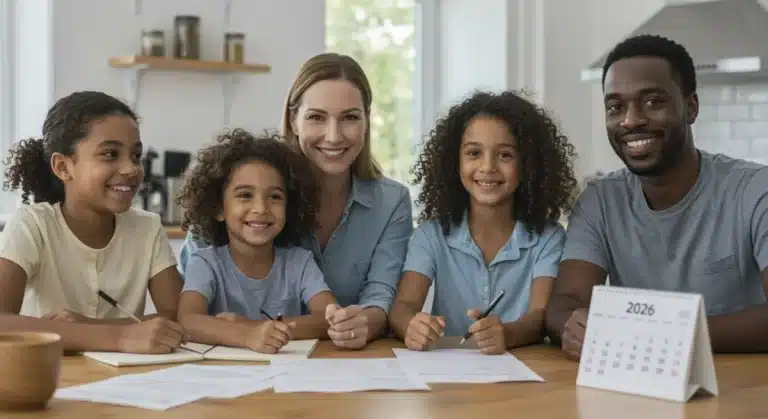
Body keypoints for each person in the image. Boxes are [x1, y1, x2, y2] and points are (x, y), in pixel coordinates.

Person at [546, 34, 768, 360]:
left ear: (691, 107)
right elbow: (565, 302)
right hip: (641, 388)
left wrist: (662, 334)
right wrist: (573, 326)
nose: (631, 119)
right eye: (615, 106)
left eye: (653, 102)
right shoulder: (599, 201)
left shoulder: (755, 190)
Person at [178, 53, 413, 349]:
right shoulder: (238, 191)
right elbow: (185, 309)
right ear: (294, 120)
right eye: (316, 117)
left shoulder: (392, 202)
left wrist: (361, 323)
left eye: (350, 117)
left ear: (367, 121)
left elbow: (379, 298)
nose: (333, 135)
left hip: (338, 360)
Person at [389, 90, 578, 354]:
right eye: (474, 153)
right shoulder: (431, 235)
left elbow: (540, 316)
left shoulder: (548, 238)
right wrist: (412, 325)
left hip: (525, 374)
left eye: (505, 155)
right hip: (449, 375)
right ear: (453, 162)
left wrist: (508, 334)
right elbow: (402, 307)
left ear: (529, 165)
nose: (487, 167)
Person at [0, 91, 186, 353]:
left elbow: (184, 318)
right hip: (49, 377)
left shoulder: (147, 228)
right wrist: (120, 338)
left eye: (135, 156)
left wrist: (89, 325)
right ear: (63, 167)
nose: (131, 169)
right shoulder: (32, 225)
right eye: (110, 154)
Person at [176, 130, 337, 353]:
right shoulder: (205, 263)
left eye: (275, 197)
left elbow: (329, 317)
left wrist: (256, 327)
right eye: (245, 195)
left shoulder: (299, 262)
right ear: (218, 208)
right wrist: (248, 336)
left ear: (290, 208)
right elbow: (188, 320)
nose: (261, 208)